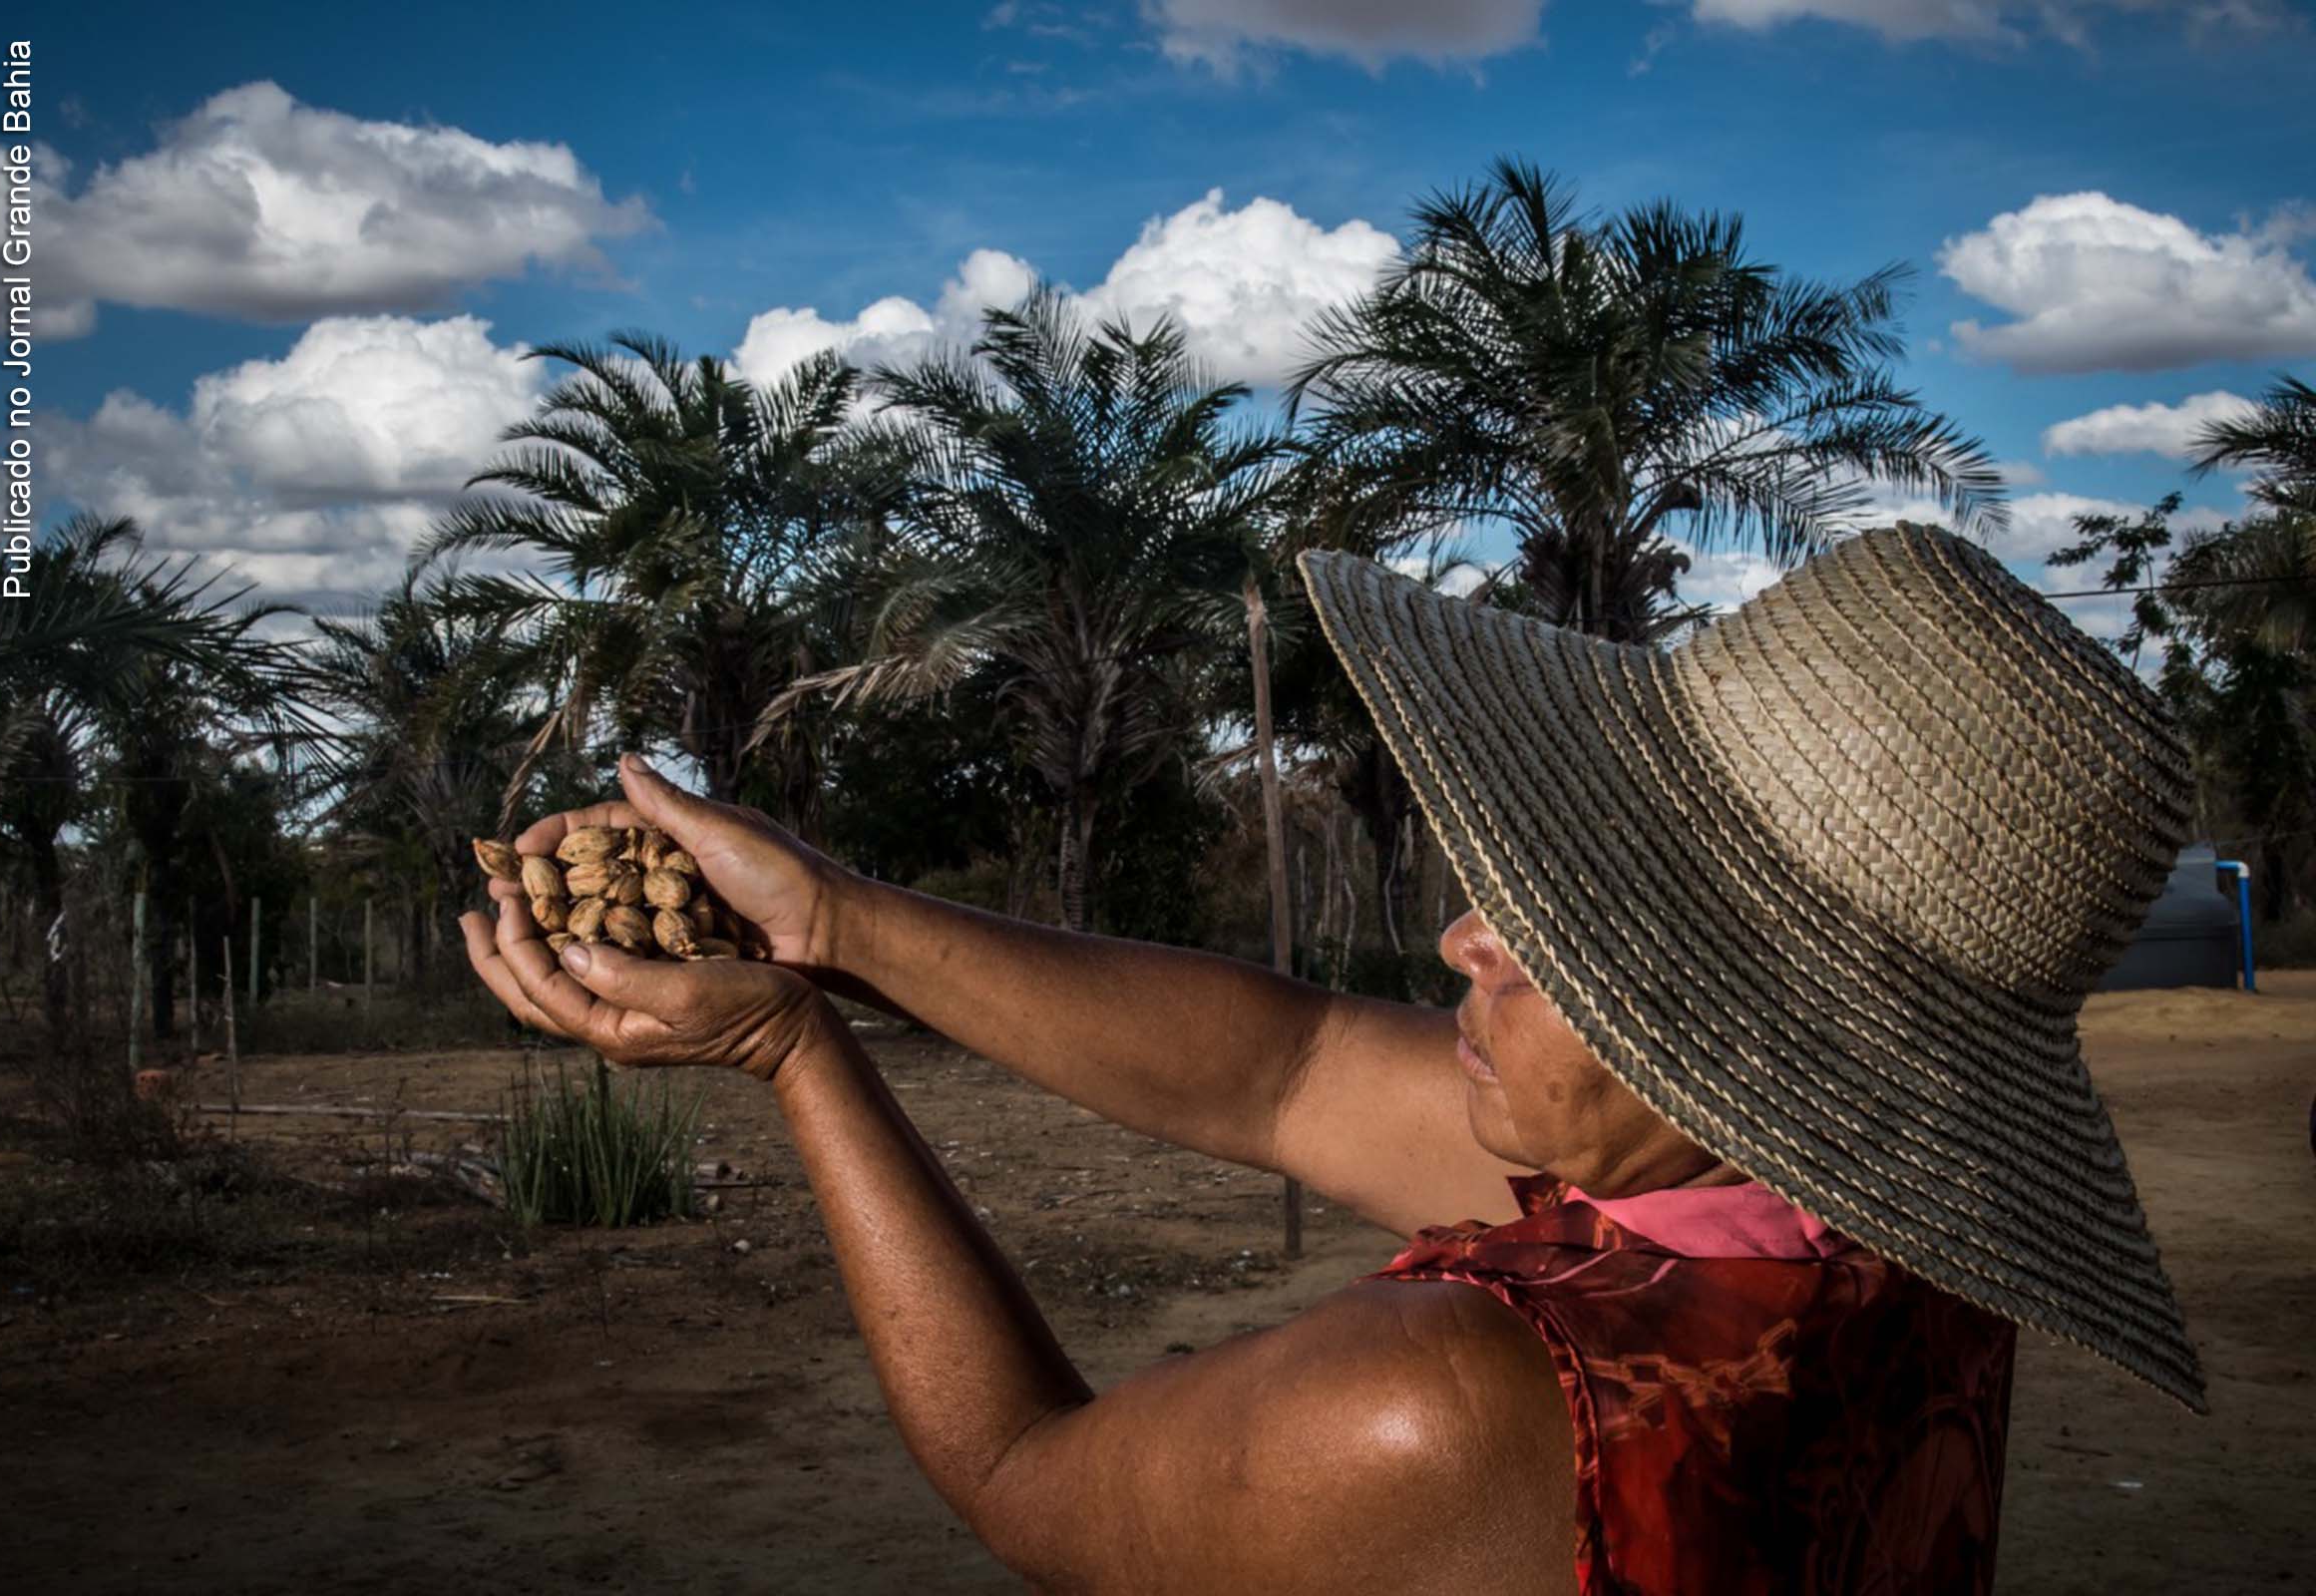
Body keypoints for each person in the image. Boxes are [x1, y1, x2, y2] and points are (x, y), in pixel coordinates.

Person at [461, 524, 2202, 1594]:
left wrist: (795, 1056)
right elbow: (1279, 1072)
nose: (1465, 937)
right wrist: (832, 922)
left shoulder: (1448, 1410)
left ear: (1745, 1045)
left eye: (1572, 931)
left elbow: (1026, 1486)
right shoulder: (1870, 1234)